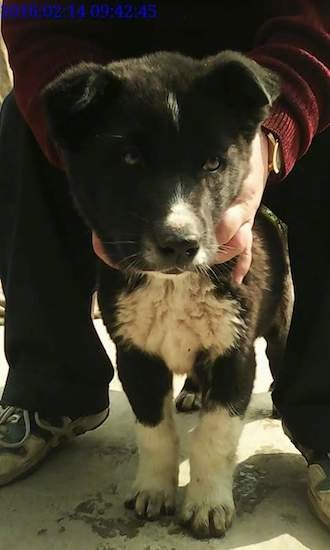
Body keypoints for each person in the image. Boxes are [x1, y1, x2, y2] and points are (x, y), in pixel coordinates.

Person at [0, 0, 329, 528]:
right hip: (118, 86)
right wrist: (90, 167)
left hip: (253, 78)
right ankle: (49, 388)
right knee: (21, 119)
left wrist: (269, 139)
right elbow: (40, 21)